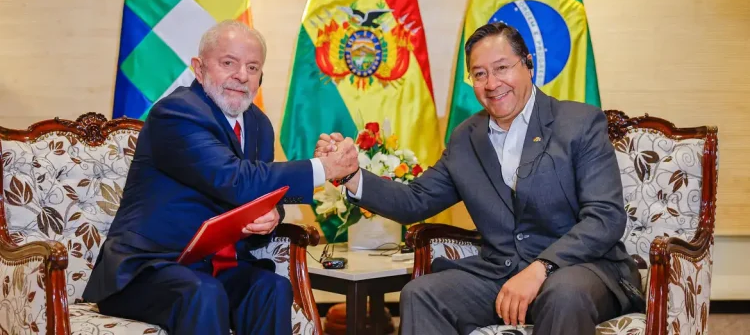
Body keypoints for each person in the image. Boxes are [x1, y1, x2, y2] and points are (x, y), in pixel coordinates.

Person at [316, 22, 641, 335]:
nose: (491, 83)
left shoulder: (579, 122)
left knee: (563, 293)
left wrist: (542, 268)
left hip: (583, 269)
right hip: (501, 272)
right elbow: (415, 201)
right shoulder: (467, 138)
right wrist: (351, 175)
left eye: (502, 68)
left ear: (528, 65)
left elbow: (604, 217)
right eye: (480, 74)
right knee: (421, 294)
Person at [83, 20, 359, 335]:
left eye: (252, 67)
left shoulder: (259, 125)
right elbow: (234, 178)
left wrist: (270, 214)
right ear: (199, 69)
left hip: (212, 269)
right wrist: (324, 168)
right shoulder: (176, 114)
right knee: (203, 293)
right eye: (229, 63)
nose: (242, 75)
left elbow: (260, 191)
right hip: (147, 270)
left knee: (272, 288)